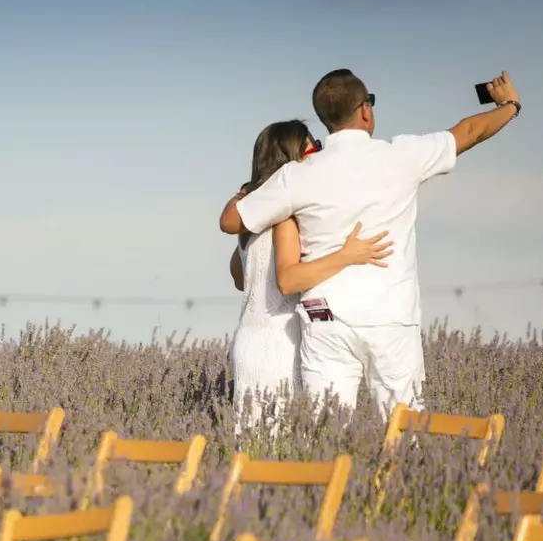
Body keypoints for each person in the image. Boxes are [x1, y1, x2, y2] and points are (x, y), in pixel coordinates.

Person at [219, 69, 522, 418]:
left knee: (326, 429)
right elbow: (469, 132)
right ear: (365, 109)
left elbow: (232, 221)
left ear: (324, 119)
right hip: (390, 317)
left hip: (324, 318)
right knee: (404, 427)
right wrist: (510, 106)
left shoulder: (297, 174)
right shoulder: (401, 155)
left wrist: (247, 189)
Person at [227, 119, 394, 432]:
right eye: (313, 146)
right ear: (293, 157)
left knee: (250, 445)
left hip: (248, 338)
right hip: (282, 342)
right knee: (284, 446)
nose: (319, 151)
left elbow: (240, 278)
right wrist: (346, 256)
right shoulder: (285, 216)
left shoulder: (249, 219)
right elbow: (288, 280)